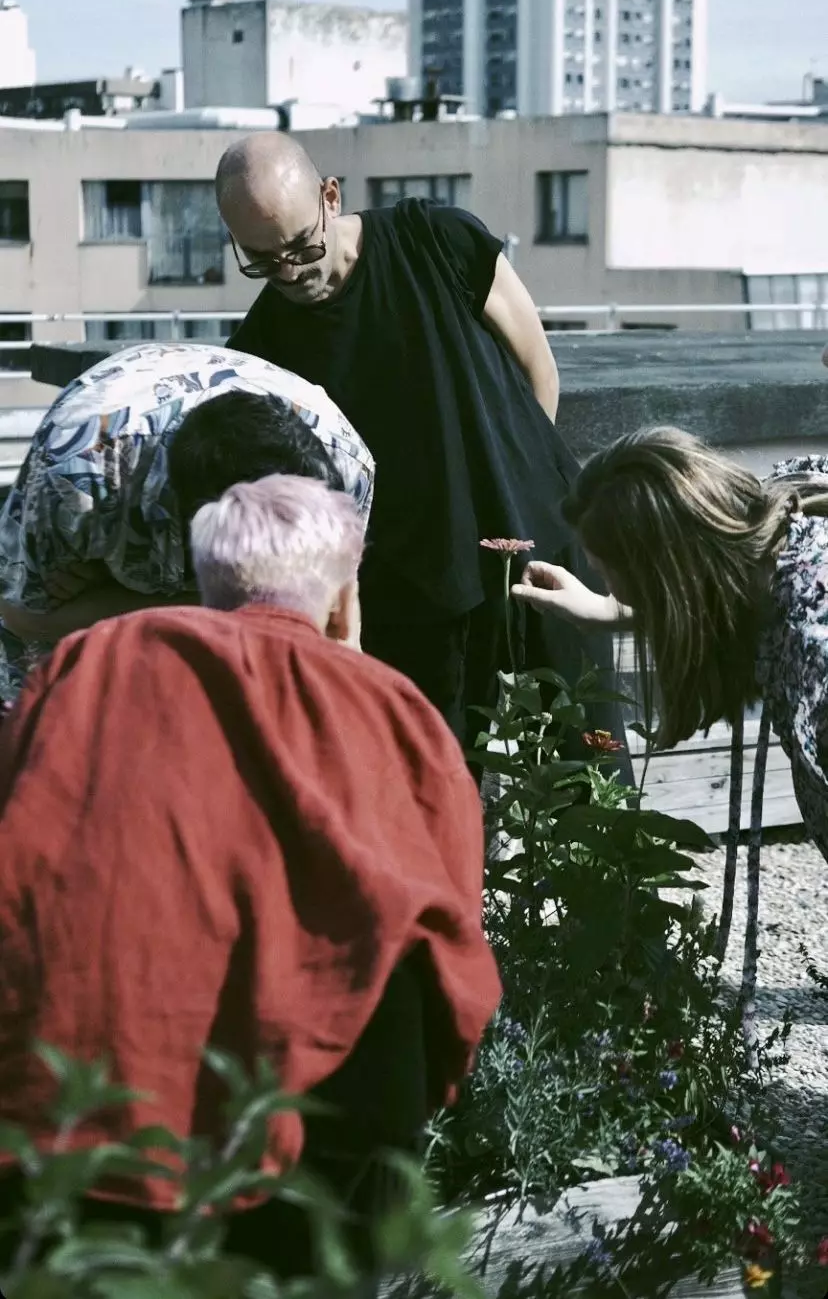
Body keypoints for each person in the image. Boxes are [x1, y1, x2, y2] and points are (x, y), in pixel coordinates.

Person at [0, 474, 500, 1280]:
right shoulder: (396, 708)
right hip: (317, 1124)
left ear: (207, 580)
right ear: (343, 600)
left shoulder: (85, 661)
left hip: (74, 1102)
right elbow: (456, 948)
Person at [216, 133, 631, 776]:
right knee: (429, 794)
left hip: (537, 557)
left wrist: (515, 490)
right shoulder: (260, 349)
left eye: (302, 246)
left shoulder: (437, 239)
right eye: (263, 262)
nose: (291, 273)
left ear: (331, 197)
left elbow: (538, 369)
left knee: (588, 775)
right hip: (410, 604)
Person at [512, 426, 828, 857]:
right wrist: (609, 611)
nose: (613, 591)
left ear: (665, 579)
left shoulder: (817, 653)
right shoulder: (777, 521)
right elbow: (709, 592)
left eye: (610, 578)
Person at [0, 340, 374, 699]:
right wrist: (249, 605)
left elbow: (333, 638)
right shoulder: (77, 471)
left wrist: (112, 601)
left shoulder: (347, 469)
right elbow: (23, 617)